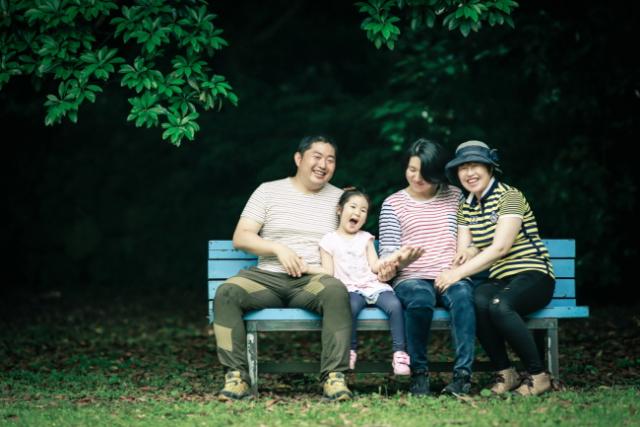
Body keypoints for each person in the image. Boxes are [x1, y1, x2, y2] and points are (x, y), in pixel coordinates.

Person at [213, 135, 353, 401]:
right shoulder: (268, 191)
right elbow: (241, 237)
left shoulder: (340, 199)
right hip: (267, 278)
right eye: (316, 157)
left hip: (311, 280)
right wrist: (278, 248)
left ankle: (334, 377)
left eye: (330, 159)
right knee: (227, 293)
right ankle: (236, 376)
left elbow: (352, 237)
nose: (323, 164)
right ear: (298, 159)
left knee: (336, 292)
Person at [436, 140, 556, 396]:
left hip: (534, 274)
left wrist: (456, 274)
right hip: (501, 278)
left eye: (475, 165)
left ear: (490, 168)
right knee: (477, 302)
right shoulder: (465, 206)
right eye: (463, 168)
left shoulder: (510, 196)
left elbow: (501, 247)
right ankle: (507, 373)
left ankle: (539, 376)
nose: (469, 173)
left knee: (500, 305)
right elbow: (466, 247)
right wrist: (468, 252)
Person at [378, 139, 476, 396]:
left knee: (463, 297)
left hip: (451, 273)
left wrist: (461, 260)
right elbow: (387, 256)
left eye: (424, 171)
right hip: (411, 277)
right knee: (420, 300)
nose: (417, 177)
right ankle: (419, 374)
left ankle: (462, 377)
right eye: (411, 169)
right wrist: (400, 262)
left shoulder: (455, 196)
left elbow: (469, 238)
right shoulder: (393, 204)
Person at [305, 188, 418, 376]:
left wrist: (394, 258)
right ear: (339, 210)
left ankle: (399, 354)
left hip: (373, 285)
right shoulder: (329, 240)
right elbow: (328, 271)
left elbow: (375, 266)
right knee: (349, 308)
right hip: (349, 288)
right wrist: (306, 268)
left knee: (395, 305)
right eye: (353, 207)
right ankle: (349, 351)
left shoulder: (366, 238)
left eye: (363, 210)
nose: (357, 212)